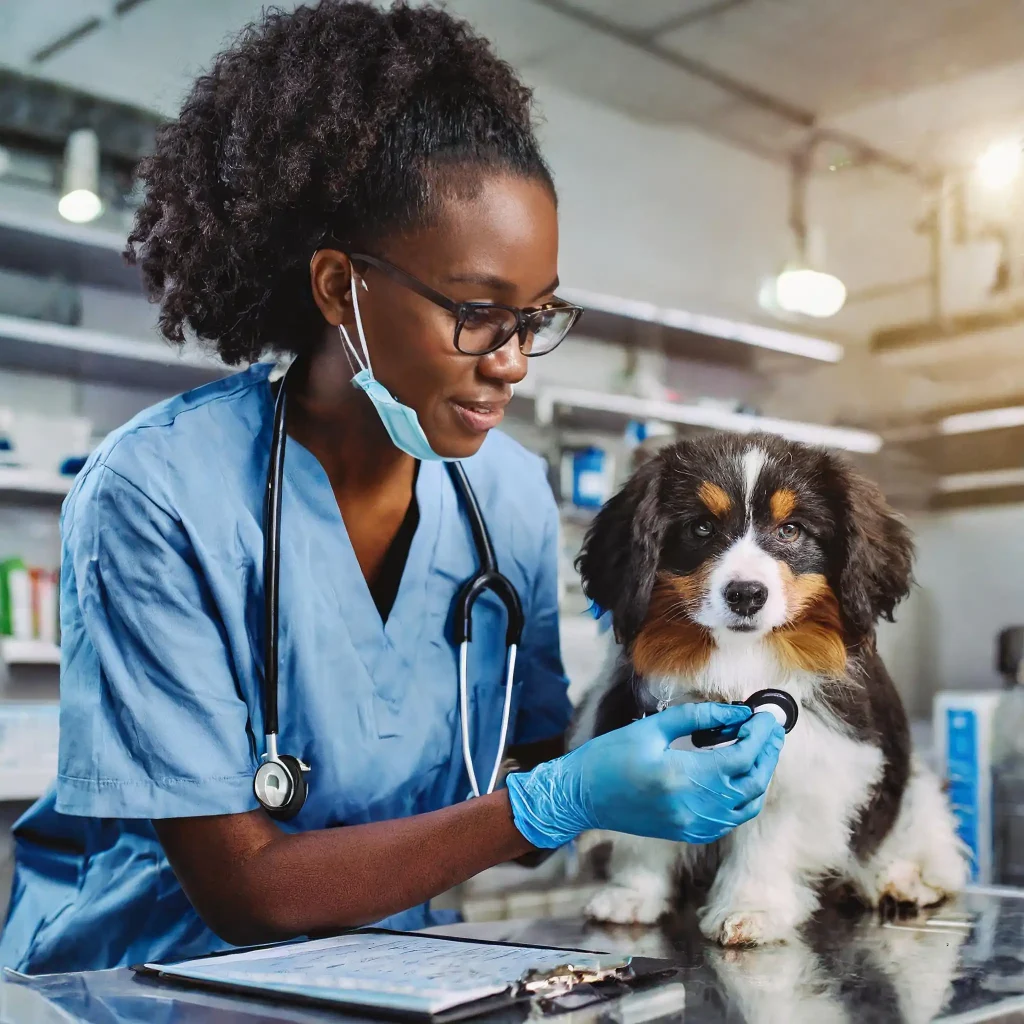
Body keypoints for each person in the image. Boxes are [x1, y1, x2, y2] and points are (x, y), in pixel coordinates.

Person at [0, 0, 785, 974]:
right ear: (341, 288)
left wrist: (656, 726)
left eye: (535, 317)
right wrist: (565, 797)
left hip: (388, 974)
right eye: (478, 310)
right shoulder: (157, 492)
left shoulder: (509, 497)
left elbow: (521, 802)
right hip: (143, 982)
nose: (512, 361)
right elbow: (247, 891)